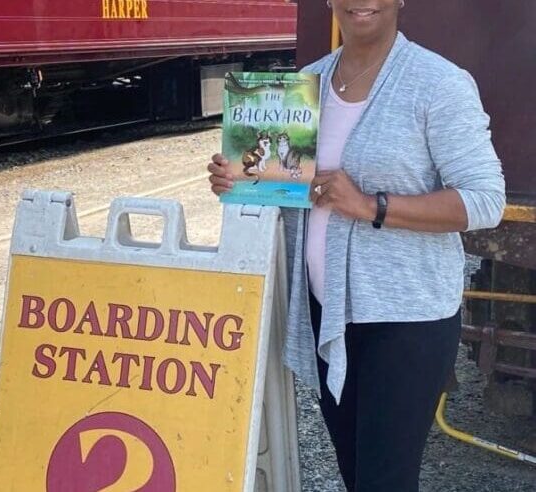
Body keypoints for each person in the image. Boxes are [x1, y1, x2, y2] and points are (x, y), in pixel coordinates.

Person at [208, 0, 506, 490]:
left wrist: (371, 205)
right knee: (355, 472)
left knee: (384, 480)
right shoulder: (308, 84)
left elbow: (485, 200)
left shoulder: (439, 83)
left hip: (405, 322)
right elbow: (287, 187)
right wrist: (239, 178)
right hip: (328, 313)